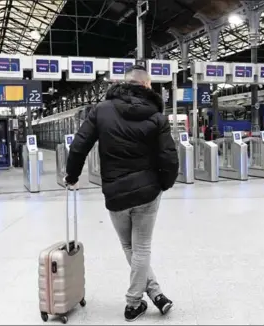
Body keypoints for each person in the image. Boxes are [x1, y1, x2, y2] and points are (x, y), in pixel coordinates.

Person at [65, 65, 179, 321]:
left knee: (130, 246)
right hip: (149, 192)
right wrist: (164, 184)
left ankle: (143, 298)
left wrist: (71, 177)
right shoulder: (157, 116)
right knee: (141, 247)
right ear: (147, 86)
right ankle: (141, 299)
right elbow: (170, 157)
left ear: (122, 83)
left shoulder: (102, 110)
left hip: (115, 193)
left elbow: (79, 145)